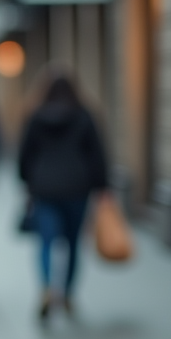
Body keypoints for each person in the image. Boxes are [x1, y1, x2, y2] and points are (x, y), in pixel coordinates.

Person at [18, 72, 108, 319]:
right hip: (77, 188)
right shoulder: (84, 116)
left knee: (46, 241)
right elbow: (97, 154)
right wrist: (102, 187)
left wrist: (26, 181)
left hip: (45, 188)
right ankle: (67, 293)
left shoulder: (36, 116)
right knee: (73, 243)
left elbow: (25, 153)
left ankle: (47, 287)